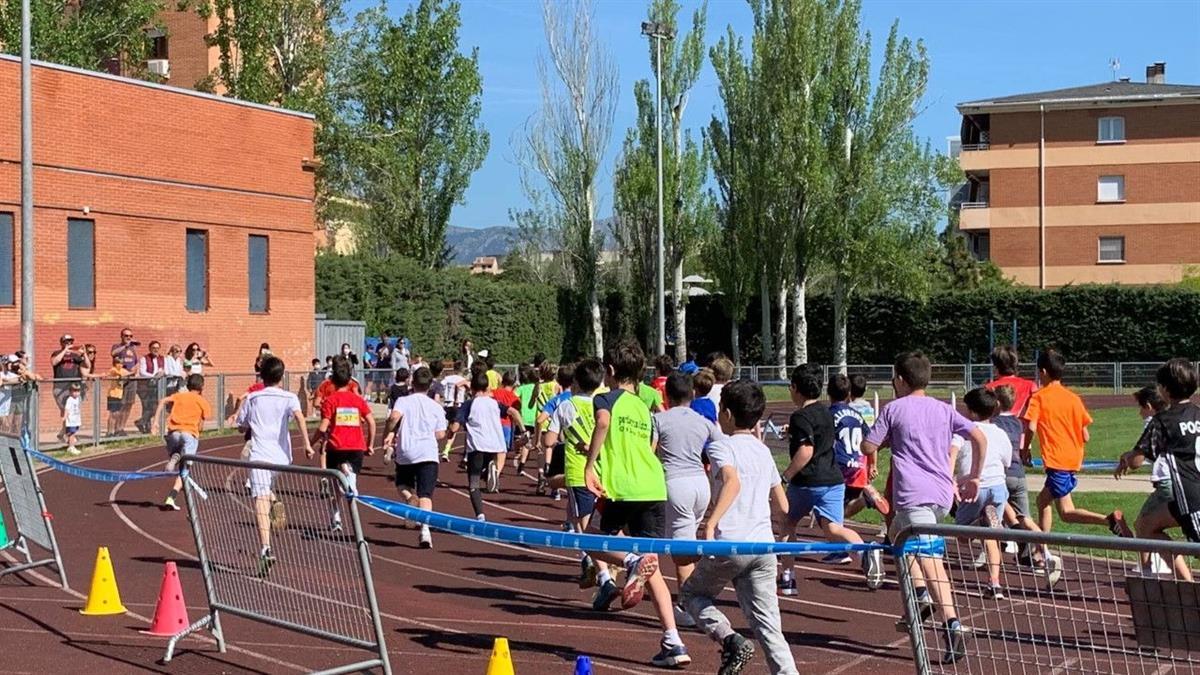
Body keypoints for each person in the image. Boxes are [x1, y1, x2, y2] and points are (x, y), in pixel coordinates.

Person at [861, 351, 988, 665]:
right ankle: (919, 596)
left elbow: (867, 446)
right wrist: (974, 476)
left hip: (914, 494)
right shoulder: (943, 409)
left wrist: (888, 438)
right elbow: (978, 436)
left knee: (930, 559)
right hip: (941, 495)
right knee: (901, 541)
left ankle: (951, 622)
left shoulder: (894, 408)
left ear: (900, 380)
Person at [679, 379, 797, 675]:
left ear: (727, 414)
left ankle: (729, 638)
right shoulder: (763, 450)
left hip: (730, 544)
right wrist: (784, 530)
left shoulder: (722, 447)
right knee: (770, 626)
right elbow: (782, 506)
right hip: (763, 547)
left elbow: (732, 481)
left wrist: (710, 523)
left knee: (692, 595)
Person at [583, 341, 690, 668]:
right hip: (653, 485)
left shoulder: (606, 398)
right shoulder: (644, 406)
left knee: (590, 538)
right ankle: (673, 640)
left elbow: (602, 423)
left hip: (626, 486)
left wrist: (590, 465)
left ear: (610, 372)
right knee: (651, 563)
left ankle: (628, 561)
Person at [779, 365, 880, 593]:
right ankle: (864, 550)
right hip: (834, 480)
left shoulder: (800, 415)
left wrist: (785, 476)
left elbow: (806, 451)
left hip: (807, 482)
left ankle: (788, 577)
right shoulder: (828, 412)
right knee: (833, 528)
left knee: (787, 523)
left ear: (795, 388)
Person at [1023, 349, 1132, 537]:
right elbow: (1086, 435)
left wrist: (1025, 449)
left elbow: (1030, 427)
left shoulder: (1039, 397)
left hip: (1058, 461)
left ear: (1043, 372)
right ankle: (1041, 546)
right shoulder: (1073, 398)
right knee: (1042, 501)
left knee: (1066, 512)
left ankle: (1110, 521)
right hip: (1072, 460)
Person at [1116, 358, 1200, 581]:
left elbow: (1137, 461)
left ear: (1163, 389)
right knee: (1145, 525)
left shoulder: (1163, 421)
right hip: (1184, 500)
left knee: (1146, 527)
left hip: (1192, 499)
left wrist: (1126, 457)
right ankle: (1188, 586)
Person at [654, 371, 722, 627]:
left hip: (676, 483)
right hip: (699, 485)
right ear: (692, 394)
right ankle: (693, 597)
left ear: (666, 394)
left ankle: (689, 604)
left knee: (682, 552)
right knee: (687, 545)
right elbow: (719, 449)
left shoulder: (658, 420)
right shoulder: (703, 421)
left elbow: (651, 453)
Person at [236, 356, 312, 576]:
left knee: (259, 498)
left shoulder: (253, 397)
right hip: (281, 457)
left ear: (261, 375)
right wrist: (306, 444)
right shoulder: (289, 397)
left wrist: (245, 425)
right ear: (282, 376)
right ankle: (275, 499)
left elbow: (242, 425)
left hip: (260, 454)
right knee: (265, 489)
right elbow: (299, 417)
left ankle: (265, 548)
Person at [543, 358, 603, 588]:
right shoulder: (601, 405)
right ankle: (597, 565)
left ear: (576, 382)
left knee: (585, 525)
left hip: (579, 472)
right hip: (603, 470)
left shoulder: (566, 406)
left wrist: (559, 437)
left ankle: (602, 571)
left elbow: (549, 440)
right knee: (595, 521)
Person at [992, 385, 1059, 585]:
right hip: (1019, 474)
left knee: (994, 505)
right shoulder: (1017, 423)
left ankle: (999, 549)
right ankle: (1045, 554)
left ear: (996, 403)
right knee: (1026, 519)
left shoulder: (994, 424)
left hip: (1003, 473)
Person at [950, 387, 1013, 599]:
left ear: (971, 411)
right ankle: (995, 583)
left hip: (973, 487)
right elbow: (1006, 462)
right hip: (997, 486)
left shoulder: (964, 430)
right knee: (992, 538)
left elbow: (952, 453)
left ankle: (979, 524)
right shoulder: (1001, 433)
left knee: (961, 536)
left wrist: (950, 478)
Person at [384, 366, 447, 549]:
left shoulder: (403, 401)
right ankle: (425, 531)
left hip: (406, 451)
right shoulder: (436, 406)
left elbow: (394, 418)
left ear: (412, 382)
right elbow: (441, 433)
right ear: (430, 385)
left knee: (402, 484)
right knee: (426, 494)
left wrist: (390, 431)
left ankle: (410, 497)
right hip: (428, 452)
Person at [449, 370, 525, 520]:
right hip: (495, 446)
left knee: (474, 484)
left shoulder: (469, 404)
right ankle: (491, 470)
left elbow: (455, 428)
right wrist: (523, 431)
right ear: (488, 388)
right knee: (484, 470)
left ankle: (480, 515)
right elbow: (514, 412)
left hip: (477, 446)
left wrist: (451, 430)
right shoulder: (495, 403)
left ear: (472, 389)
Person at [312, 357, 376, 532]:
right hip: (356, 446)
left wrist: (310, 443)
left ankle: (336, 519)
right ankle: (349, 479)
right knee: (349, 479)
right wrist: (370, 444)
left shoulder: (331, 400)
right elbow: (371, 422)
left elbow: (323, 425)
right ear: (349, 379)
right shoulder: (357, 400)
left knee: (334, 487)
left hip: (336, 445)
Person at [830, 374, 890, 521]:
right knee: (840, 513)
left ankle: (864, 500)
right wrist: (872, 464)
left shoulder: (829, 414)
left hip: (840, 466)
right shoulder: (858, 414)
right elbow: (871, 440)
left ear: (828, 393)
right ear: (848, 394)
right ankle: (865, 499)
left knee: (831, 515)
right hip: (858, 465)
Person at [154, 374, 212, 511]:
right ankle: (171, 497)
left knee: (176, 454)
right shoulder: (202, 401)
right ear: (202, 387)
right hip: (189, 434)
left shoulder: (180, 395)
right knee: (185, 471)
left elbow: (163, 401)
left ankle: (175, 456)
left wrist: (156, 422)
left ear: (187, 385)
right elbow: (202, 424)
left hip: (173, 433)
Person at [491, 371, 522, 491]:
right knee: (502, 452)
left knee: (493, 450)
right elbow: (517, 410)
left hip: (493, 424)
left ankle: (491, 468)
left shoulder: (494, 392)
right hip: (506, 425)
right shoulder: (513, 397)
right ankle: (496, 474)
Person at [985, 345, 1037, 416]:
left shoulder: (989, 388)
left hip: (998, 424)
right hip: (1022, 425)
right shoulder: (1030, 386)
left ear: (995, 367)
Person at [50, 334, 89, 415]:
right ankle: (66, 427)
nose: (69, 343)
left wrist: (84, 354)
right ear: (61, 343)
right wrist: (65, 351)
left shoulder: (76, 355)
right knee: (64, 410)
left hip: (74, 385)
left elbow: (87, 365)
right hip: (60, 385)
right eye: (66, 342)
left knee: (73, 409)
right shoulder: (56, 353)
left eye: (70, 341)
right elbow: (54, 362)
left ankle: (72, 426)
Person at [135, 341, 167, 434]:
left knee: (154, 407)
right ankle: (146, 427)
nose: (156, 350)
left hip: (157, 386)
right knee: (146, 406)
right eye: (153, 348)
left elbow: (165, 370)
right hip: (145, 386)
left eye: (157, 348)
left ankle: (141, 422)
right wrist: (155, 375)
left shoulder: (162, 359)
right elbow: (142, 372)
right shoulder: (144, 359)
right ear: (149, 349)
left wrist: (162, 373)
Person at [111, 328, 140, 430]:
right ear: (122, 336)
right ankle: (116, 428)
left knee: (128, 404)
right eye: (126, 336)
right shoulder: (117, 346)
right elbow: (113, 353)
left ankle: (122, 428)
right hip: (121, 379)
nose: (129, 338)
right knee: (120, 405)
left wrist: (136, 369)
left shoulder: (133, 349)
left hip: (132, 379)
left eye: (130, 336)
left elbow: (137, 362)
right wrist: (125, 346)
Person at [514, 363, 539, 476]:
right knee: (527, 442)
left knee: (522, 441)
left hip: (522, 419)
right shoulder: (536, 387)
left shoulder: (521, 388)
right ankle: (522, 464)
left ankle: (521, 463)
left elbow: (513, 396)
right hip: (533, 418)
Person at [439, 361, 467, 462]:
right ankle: (447, 450)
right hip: (458, 405)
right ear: (462, 370)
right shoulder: (463, 380)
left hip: (447, 404)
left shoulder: (447, 378)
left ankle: (446, 451)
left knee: (449, 428)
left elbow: (440, 385)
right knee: (455, 429)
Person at [105, 354, 134, 437]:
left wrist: (134, 371)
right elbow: (117, 374)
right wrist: (125, 374)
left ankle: (114, 430)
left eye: (121, 363)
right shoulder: (113, 369)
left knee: (117, 413)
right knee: (112, 414)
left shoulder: (123, 370)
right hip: (112, 394)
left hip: (119, 395)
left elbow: (130, 373)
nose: (119, 365)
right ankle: (109, 431)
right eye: (117, 363)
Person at [63, 382, 82, 455]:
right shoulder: (69, 400)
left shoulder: (77, 399)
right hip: (71, 420)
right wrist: (65, 416)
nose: (76, 393)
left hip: (76, 419)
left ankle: (69, 441)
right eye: (74, 391)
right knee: (72, 433)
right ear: (70, 392)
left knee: (73, 432)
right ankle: (71, 447)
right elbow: (67, 409)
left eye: (78, 391)